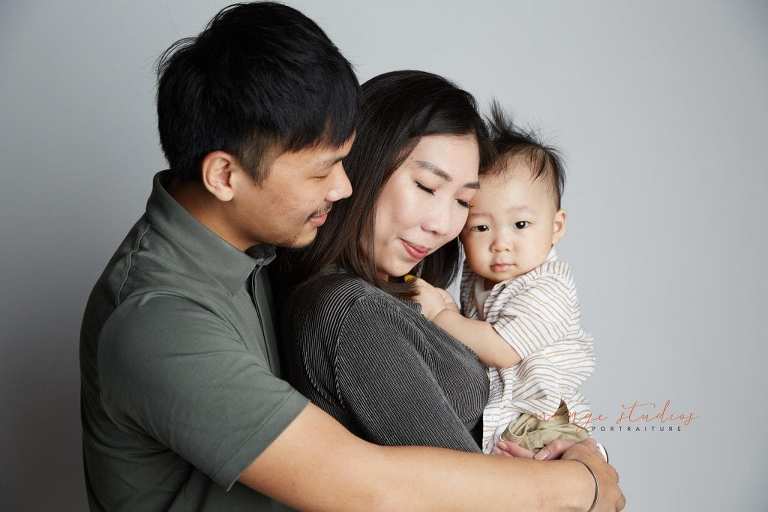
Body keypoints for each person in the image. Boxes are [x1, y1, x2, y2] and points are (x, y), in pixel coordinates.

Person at [80, 2, 625, 511]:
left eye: (463, 200)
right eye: (324, 169)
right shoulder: (161, 318)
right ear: (225, 175)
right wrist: (587, 480)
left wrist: (573, 448)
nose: (344, 186)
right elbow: (371, 487)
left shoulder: (264, 255)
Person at [279, 70, 624, 510]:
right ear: (362, 166)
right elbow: (467, 501)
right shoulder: (351, 311)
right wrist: (584, 481)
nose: (443, 224)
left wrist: (583, 454)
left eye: (463, 201)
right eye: (426, 187)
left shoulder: (407, 295)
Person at [410, 104, 596, 455]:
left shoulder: (547, 288)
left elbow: (502, 349)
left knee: (532, 476)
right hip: (508, 414)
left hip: (543, 418)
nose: (500, 243)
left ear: (556, 227)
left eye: (520, 225)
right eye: (481, 227)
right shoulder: (481, 277)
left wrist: (440, 316)